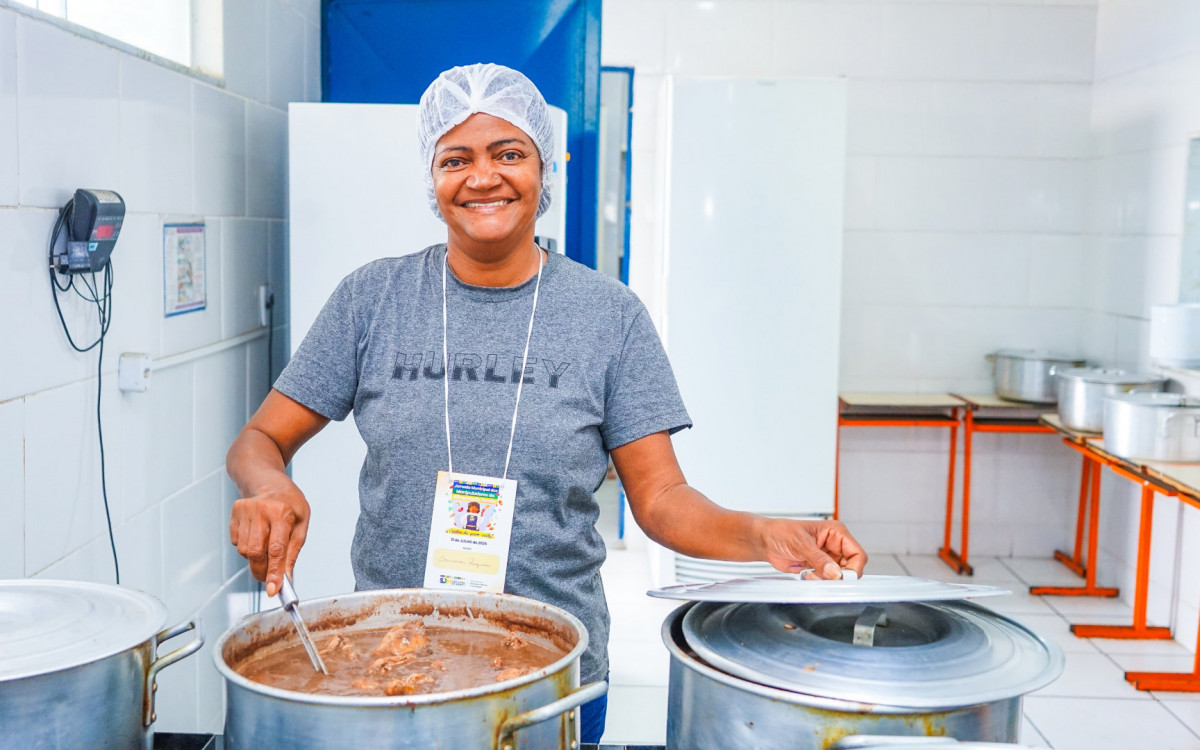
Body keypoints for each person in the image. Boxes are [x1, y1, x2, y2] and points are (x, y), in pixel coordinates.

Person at [225, 62, 867, 743]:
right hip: (394, 669)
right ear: (432, 178)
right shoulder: (371, 300)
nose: (483, 177)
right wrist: (268, 486)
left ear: (543, 170)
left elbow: (661, 500)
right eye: (456, 158)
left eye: (509, 154)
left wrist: (765, 536)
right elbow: (259, 441)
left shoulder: (609, 316)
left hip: (554, 678)